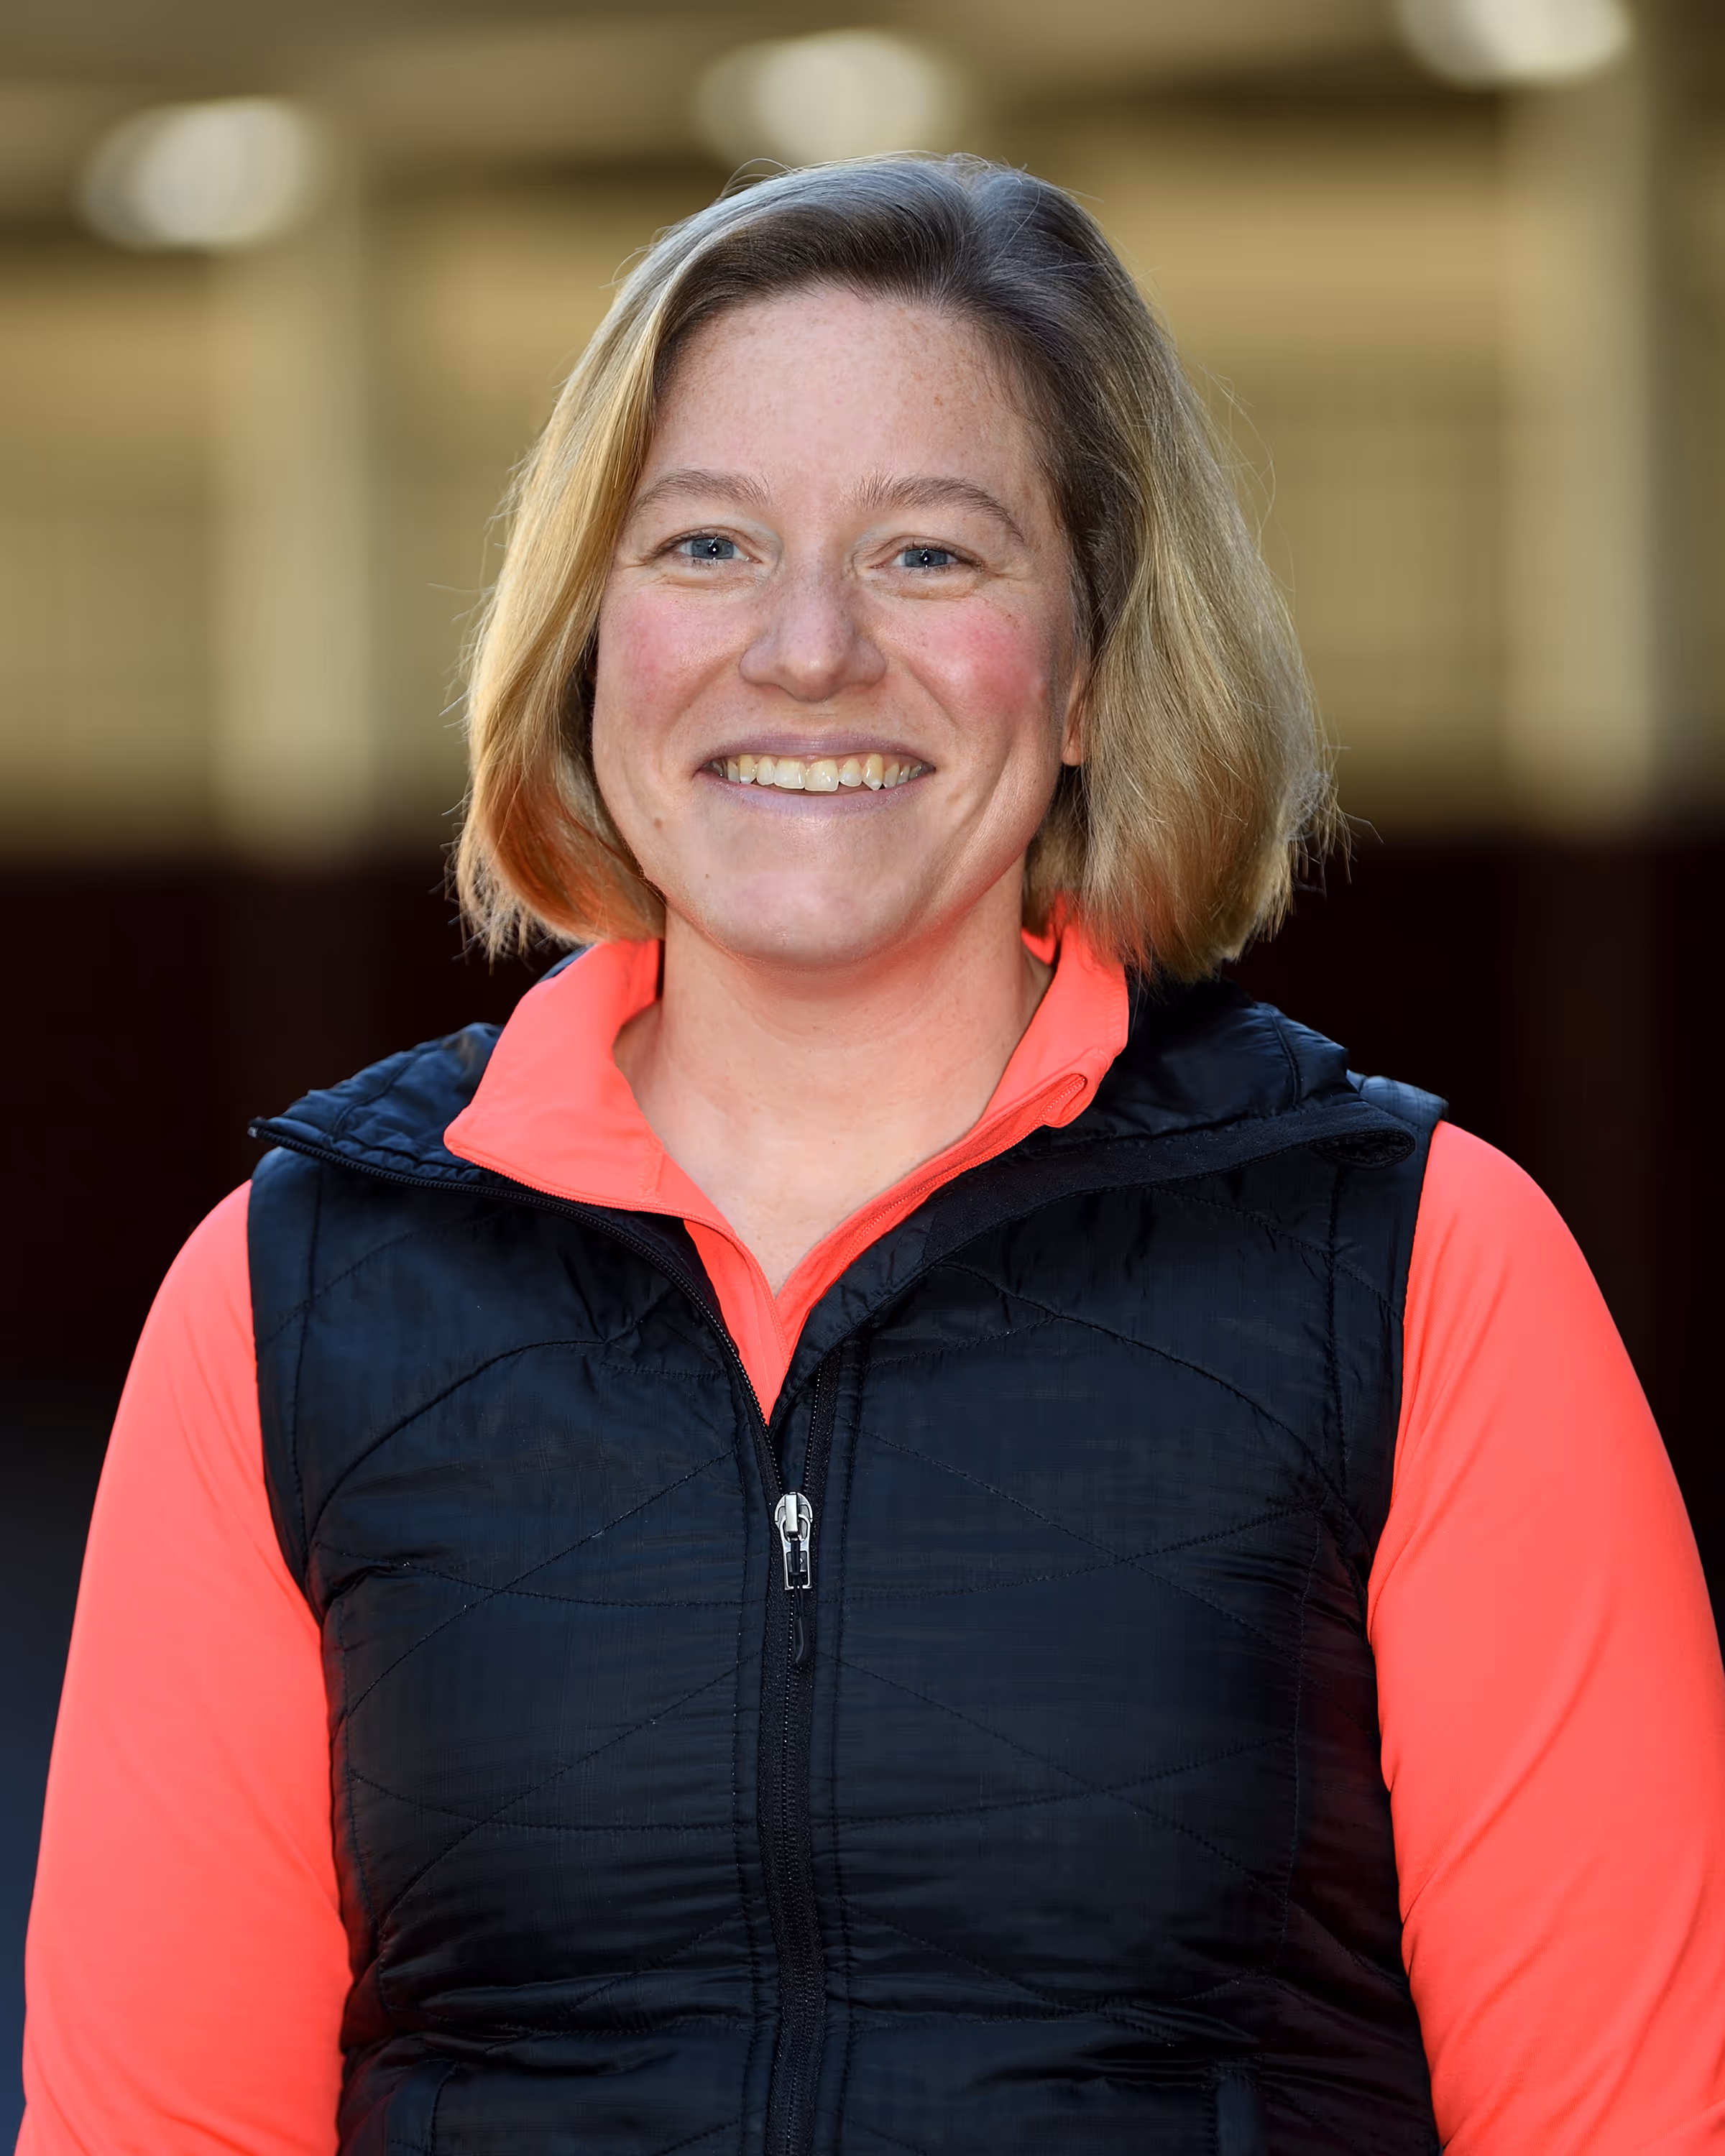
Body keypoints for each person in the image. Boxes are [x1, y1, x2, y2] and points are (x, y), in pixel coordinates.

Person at [18, 156, 1725, 2156]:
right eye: (707, 544)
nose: (810, 647)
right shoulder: (287, 1296)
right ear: (588, 640)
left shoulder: (1426, 1269)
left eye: (929, 553)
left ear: (1092, 672)